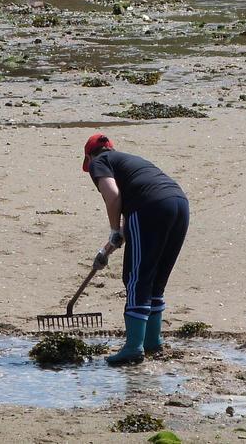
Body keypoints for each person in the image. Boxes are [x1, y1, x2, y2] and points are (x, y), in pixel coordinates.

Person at [82, 134, 189, 366]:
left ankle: (133, 348)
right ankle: (152, 343)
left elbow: (113, 196)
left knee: (136, 278)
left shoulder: (99, 162)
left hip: (150, 207)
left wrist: (112, 229)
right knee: (156, 278)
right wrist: (106, 250)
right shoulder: (130, 162)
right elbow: (131, 226)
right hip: (178, 204)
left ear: (89, 157)